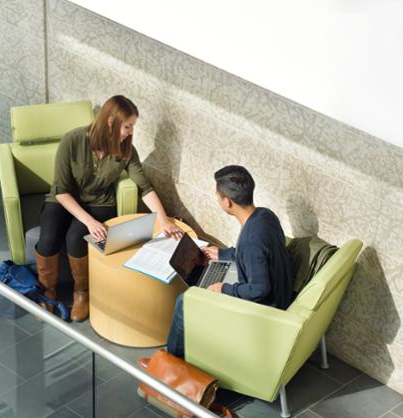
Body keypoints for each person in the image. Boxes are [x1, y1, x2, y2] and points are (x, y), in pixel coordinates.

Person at [35, 95, 184, 322]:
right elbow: (62, 191)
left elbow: (145, 187)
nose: (130, 132)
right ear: (111, 122)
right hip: (63, 199)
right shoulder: (72, 140)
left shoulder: (126, 151)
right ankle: (47, 291)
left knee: (77, 238)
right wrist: (89, 221)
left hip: (99, 202)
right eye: (128, 126)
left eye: (132, 126)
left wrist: (164, 220)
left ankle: (81, 292)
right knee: (48, 238)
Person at [165, 165, 293, 358]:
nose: (217, 199)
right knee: (204, 276)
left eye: (217, 195)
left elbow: (259, 289)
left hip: (263, 313)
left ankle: (170, 360)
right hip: (280, 296)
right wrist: (224, 254)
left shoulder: (251, 240)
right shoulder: (265, 215)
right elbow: (261, 254)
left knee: (185, 300)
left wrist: (223, 289)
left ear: (228, 202)